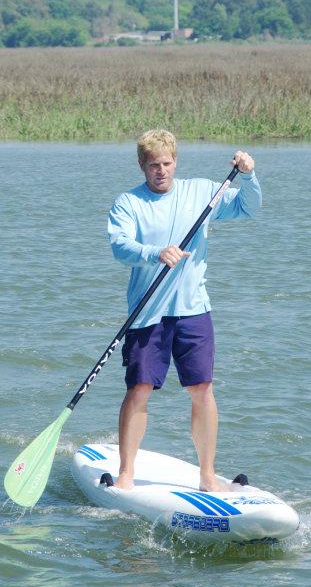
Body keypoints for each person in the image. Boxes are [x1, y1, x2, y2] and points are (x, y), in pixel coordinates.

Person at [107, 129, 262, 492]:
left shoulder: (203, 191)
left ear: (176, 161)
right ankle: (126, 473)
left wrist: (250, 173)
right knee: (140, 388)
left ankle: (208, 475)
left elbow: (249, 208)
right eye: (153, 165)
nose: (161, 171)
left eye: (167, 163)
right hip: (147, 313)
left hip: (194, 311)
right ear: (141, 165)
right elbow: (120, 246)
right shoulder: (128, 203)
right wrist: (155, 252)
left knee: (202, 389)